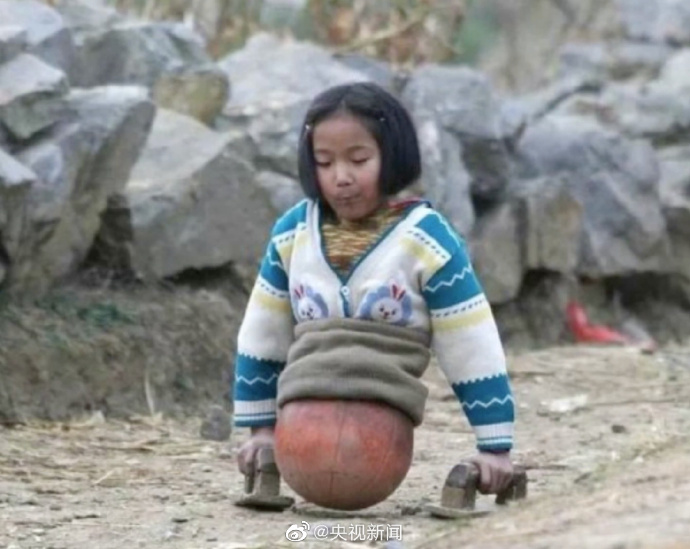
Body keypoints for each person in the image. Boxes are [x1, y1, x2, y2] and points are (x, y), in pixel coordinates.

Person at [232, 82, 515, 495]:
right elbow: (263, 333)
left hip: (380, 438)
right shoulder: (292, 234)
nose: (340, 178)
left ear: (392, 153)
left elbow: (470, 341)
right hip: (299, 427)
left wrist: (495, 447)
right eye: (324, 162)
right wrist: (260, 430)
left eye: (359, 159)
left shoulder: (427, 242)